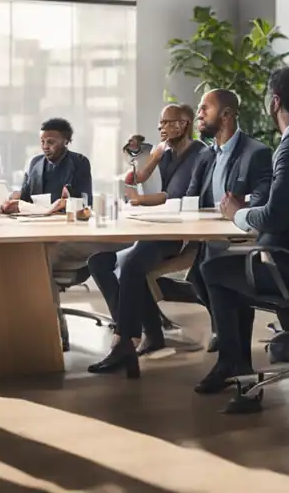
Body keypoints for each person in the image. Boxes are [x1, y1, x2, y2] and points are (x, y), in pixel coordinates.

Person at [199, 67, 289, 414]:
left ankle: (233, 364)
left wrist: (236, 212)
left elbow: (275, 218)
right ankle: (240, 361)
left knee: (214, 270)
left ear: (275, 102)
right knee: (235, 267)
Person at [87, 104, 205, 375]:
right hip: (156, 229)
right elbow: (139, 178)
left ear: (183, 124)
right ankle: (149, 332)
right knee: (99, 263)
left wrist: (140, 200)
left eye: (166, 123)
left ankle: (125, 340)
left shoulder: (199, 153)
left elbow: (173, 196)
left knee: (132, 266)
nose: (160, 127)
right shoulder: (168, 152)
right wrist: (152, 155)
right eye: (160, 123)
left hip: (178, 236)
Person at [182, 89, 275, 356]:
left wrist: (238, 207)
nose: (198, 115)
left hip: (240, 239)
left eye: (204, 109)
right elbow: (191, 197)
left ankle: (232, 350)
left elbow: (259, 199)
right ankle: (225, 334)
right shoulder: (207, 154)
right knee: (199, 273)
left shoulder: (255, 152)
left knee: (215, 270)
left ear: (226, 115)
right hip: (207, 237)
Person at [1, 119, 105, 351]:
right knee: (14, 257)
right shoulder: (35, 162)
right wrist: (13, 200)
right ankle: (25, 326)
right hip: (37, 228)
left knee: (38, 261)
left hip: (67, 233)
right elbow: (26, 197)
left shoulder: (79, 163)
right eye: (42, 141)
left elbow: (85, 202)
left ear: (66, 142)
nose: (45, 146)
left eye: (51, 142)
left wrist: (71, 201)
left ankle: (55, 330)